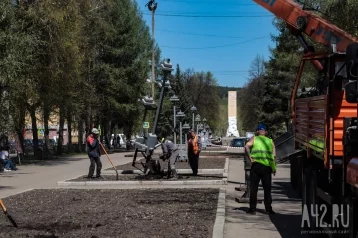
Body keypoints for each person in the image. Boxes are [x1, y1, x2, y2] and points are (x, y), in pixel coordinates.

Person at [244, 123, 276, 215]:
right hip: (267, 168)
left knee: (254, 188)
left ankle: (252, 209)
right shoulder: (270, 141)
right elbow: (273, 157)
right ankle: (268, 209)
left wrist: (250, 158)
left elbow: (246, 146)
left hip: (256, 167)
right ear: (266, 132)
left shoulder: (254, 139)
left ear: (257, 131)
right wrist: (274, 168)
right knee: (267, 189)